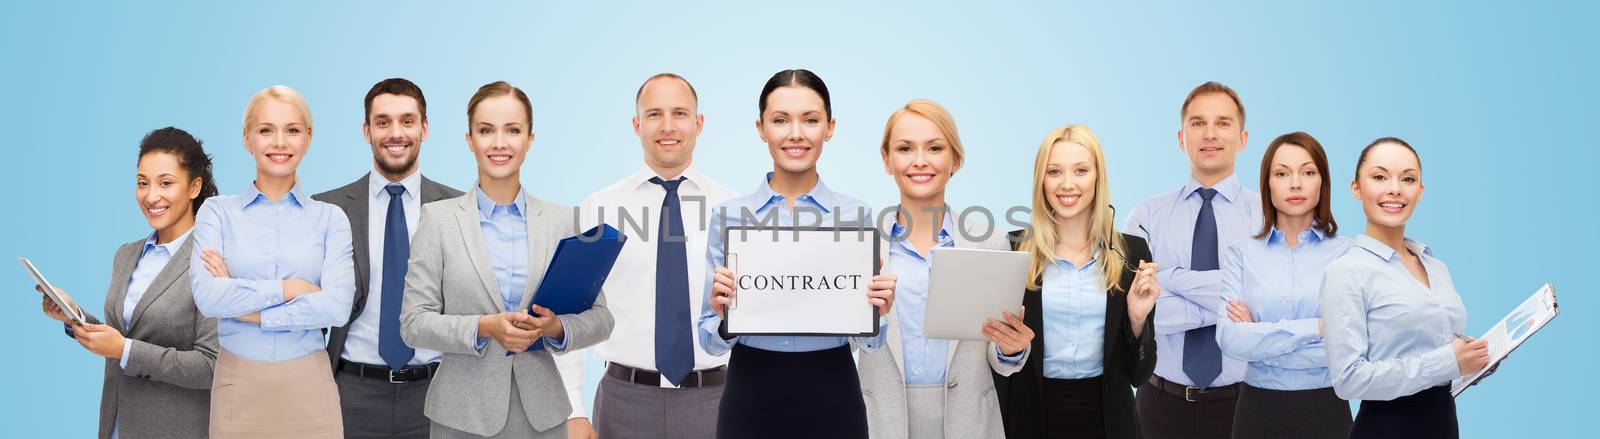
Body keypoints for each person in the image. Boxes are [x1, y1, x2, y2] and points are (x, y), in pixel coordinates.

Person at [399, 81, 614, 438]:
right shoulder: (437, 220)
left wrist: (554, 328)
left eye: (512, 130)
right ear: (470, 139)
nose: (499, 143)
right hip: (461, 415)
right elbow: (413, 323)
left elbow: (601, 319)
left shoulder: (565, 221)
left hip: (542, 416)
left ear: (529, 139)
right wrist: (484, 327)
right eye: (486, 130)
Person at [696, 68, 898, 439]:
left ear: (830, 127)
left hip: (833, 388)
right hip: (749, 390)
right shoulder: (729, 216)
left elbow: (871, 343)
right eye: (780, 120)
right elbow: (708, 339)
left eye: (810, 120)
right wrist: (724, 315)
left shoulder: (855, 215)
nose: (795, 133)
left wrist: (878, 312)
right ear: (761, 129)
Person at [553, 73, 737, 439]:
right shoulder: (599, 208)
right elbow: (569, 314)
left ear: (698, 124)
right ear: (637, 125)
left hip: (716, 400)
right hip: (624, 402)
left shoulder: (734, 211)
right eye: (654, 114)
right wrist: (573, 408)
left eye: (680, 114)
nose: (667, 126)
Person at [858, 99, 1034, 439]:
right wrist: (871, 319)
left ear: (955, 159)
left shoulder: (992, 244)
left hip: (970, 424)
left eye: (935, 148)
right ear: (886, 160)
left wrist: (1010, 348)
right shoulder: (864, 247)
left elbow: (999, 358)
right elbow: (848, 344)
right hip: (882, 423)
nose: (920, 161)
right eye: (905, 148)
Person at [189, 85, 357, 438]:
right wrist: (290, 288)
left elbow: (337, 308)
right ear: (247, 139)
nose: (279, 142)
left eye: (292, 130)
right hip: (238, 384)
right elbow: (207, 298)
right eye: (266, 130)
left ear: (308, 139)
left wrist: (249, 310)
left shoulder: (331, 219)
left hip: (309, 385)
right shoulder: (217, 212)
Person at [38, 127, 220, 438]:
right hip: (117, 423)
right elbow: (124, 333)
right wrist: (73, 315)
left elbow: (211, 367)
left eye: (165, 183)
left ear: (194, 187)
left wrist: (125, 350)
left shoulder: (213, 260)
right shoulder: (127, 254)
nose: (151, 196)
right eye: (142, 183)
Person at [312, 78, 463, 439]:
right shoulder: (326, 209)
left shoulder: (459, 209)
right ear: (367, 131)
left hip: (437, 394)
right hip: (352, 393)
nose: (396, 133)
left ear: (424, 129)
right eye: (383, 122)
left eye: (407, 121)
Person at [994, 124, 1161, 438]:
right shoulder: (1014, 248)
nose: (1067, 184)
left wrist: (1138, 320)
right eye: (1054, 171)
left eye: (1081, 170)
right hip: (1030, 419)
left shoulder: (1131, 252)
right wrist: (1009, 349)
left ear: (1098, 177)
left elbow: (1139, 375)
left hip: (1110, 422)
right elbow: (998, 358)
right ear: (1041, 180)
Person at [1123, 81, 1261, 438]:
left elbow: (1268, 304)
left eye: (1223, 123)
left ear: (1242, 138)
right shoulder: (1146, 215)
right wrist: (1229, 303)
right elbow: (1138, 310)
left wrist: (1168, 279)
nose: (1210, 134)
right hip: (1159, 403)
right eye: (1198, 123)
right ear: (1181, 138)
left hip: (1246, 404)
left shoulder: (1267, 217)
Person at [1321, 137, 1485, 438]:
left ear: (1420, 191)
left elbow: (1437, 356)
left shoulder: (1436, 266)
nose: (1395, 188)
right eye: (1380, 177)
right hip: (1385, 428)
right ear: (1356, 188)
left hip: (1444, 425)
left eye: (1407, 179)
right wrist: (1448, 361)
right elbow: (1348, 379)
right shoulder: (1346, 271)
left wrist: (1474, 360)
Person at [1215, 131, 1352, 438]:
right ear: (1267, 184)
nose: (1295, 184)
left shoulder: (1348, 254)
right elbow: (1229, 339)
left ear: (1322, 182)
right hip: (1258, 411)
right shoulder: (1242, 252)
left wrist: (1259, 337)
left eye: (1307, 172)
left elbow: (1353, 344)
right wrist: (1318, 327)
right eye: (1282, 173)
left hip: (1326, 409)